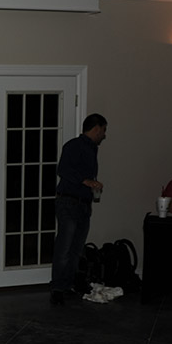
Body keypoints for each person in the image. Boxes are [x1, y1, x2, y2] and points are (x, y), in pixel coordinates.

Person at [49, 113, 107, 305]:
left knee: (76, 249)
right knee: (64, 247)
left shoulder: (91, 149)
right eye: (103, 130)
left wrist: (91, 186)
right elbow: (63, 169)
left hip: (83, 204)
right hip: (69, 202)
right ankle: (57, 287)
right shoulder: (74, 145)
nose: (104, 135)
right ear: (96, 128)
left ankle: (67, 284)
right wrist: (87, 181)